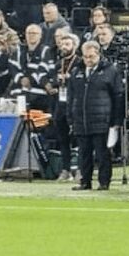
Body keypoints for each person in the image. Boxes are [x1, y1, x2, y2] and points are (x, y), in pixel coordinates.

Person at [68, 41, 124, 191]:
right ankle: (85, 181)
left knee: (102, 153)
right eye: (85, 57)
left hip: (102, 119)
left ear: (98, 54)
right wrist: (70, 117)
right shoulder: (76, 71)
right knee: (83, 153)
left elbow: (118, 95)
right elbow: (71, 96)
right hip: (81, 119)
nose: (88, 60)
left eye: (91, 56)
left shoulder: (110, 70)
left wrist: (117, 119)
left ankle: (104, 182)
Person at [48, 33, 81, 181]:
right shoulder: (58, 64)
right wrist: (55, 83)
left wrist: (69, 78)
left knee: (78, 139)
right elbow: (52, 80)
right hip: (60, 104)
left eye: (67, 44)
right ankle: (66, 169)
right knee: (62, 138)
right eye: (62, 44)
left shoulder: (79, 62)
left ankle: (80, 169)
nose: (64, 47)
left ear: (74, 46)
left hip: (75, 104)